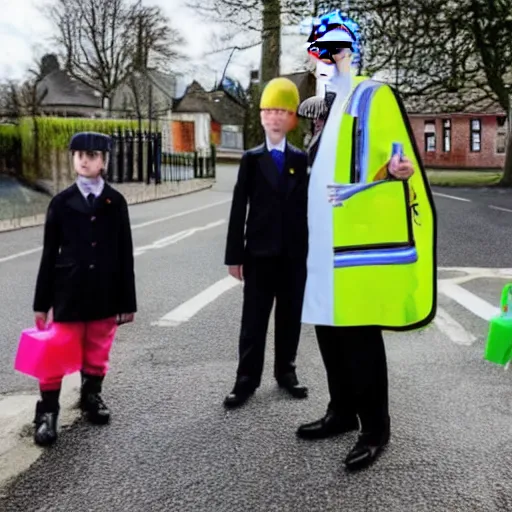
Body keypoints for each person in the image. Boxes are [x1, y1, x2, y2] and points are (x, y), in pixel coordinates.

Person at [295, 11, 437, 471]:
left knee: (359, 335)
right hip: (319, 243)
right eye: (320, 50)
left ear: (351, 52)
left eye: (336, 49)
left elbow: (397, 158)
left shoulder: (373, 95)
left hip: (355, 245)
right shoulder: (322, 107)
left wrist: (398, 170)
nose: (327, 59)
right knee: (328, 330)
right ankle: (341, 412)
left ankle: (375, 428)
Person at [32, 131, 137, 446]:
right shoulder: (61, 202)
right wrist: (42, 303)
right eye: (78, 154)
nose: (84, 160)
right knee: (55, 350)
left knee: (97, 348)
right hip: (68, 292)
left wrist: (127, 302)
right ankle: (47, 412)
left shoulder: (115, 202)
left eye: (91, 155)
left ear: (104, 160)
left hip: (104, 292)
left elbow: (125, 254)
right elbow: (49, 254)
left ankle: (92, 396)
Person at [223, 77, 310, 408]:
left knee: (290, 317)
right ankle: (246, 378)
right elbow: (237, 209)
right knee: (254, 320)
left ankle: (286, 372)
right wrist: (235, 256)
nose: (275, 117)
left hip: (292, 256)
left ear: (291, 119)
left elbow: (308, 209)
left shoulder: (301, 161)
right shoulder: (251, 159)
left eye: (282, 112)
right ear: (261, 116)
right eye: (269, 111)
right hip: (258, 254)